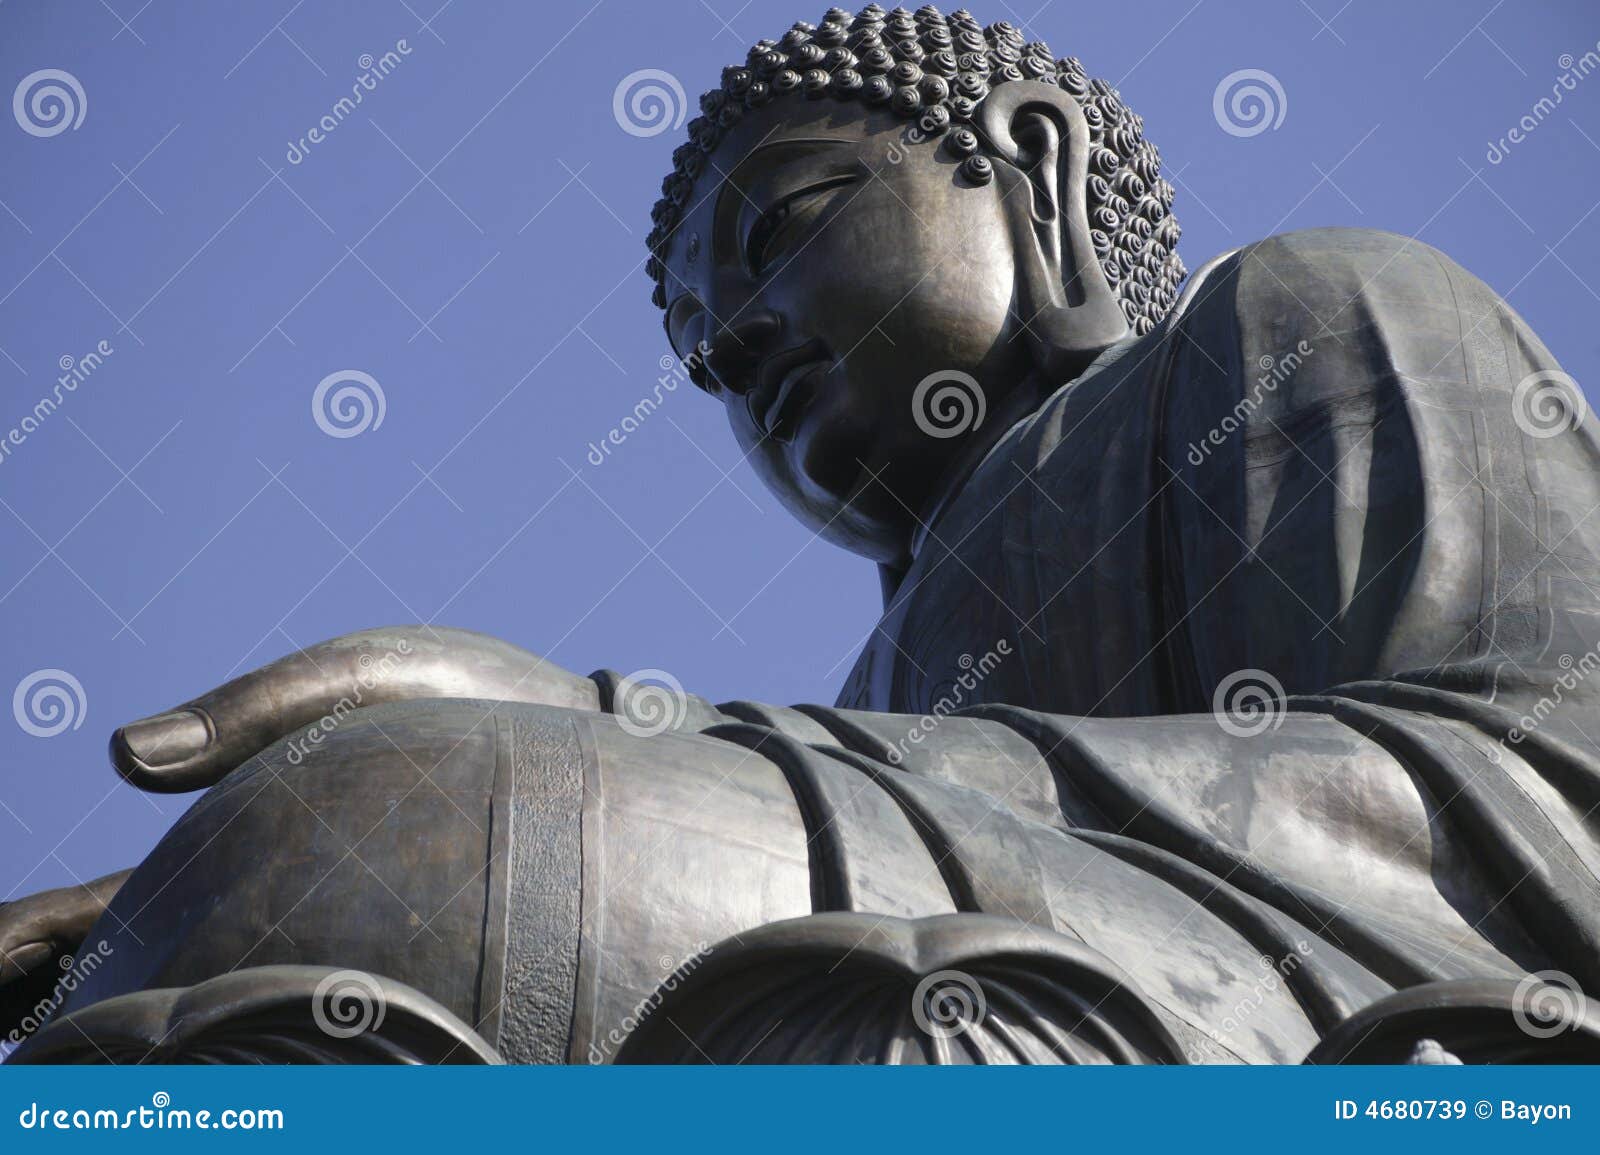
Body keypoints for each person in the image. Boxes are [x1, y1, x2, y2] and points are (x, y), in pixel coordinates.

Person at [6, 5, 1600, 1064]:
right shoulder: (881, 677)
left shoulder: (1298, 312)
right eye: (702, 356)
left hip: (1343, 1026)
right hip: (960, 972)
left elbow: (1542, 800)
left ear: (1033, 168)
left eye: (780, 230)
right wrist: (202, 890)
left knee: (424, 820)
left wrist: (630, 740)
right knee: (343, 848)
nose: (737, 346)